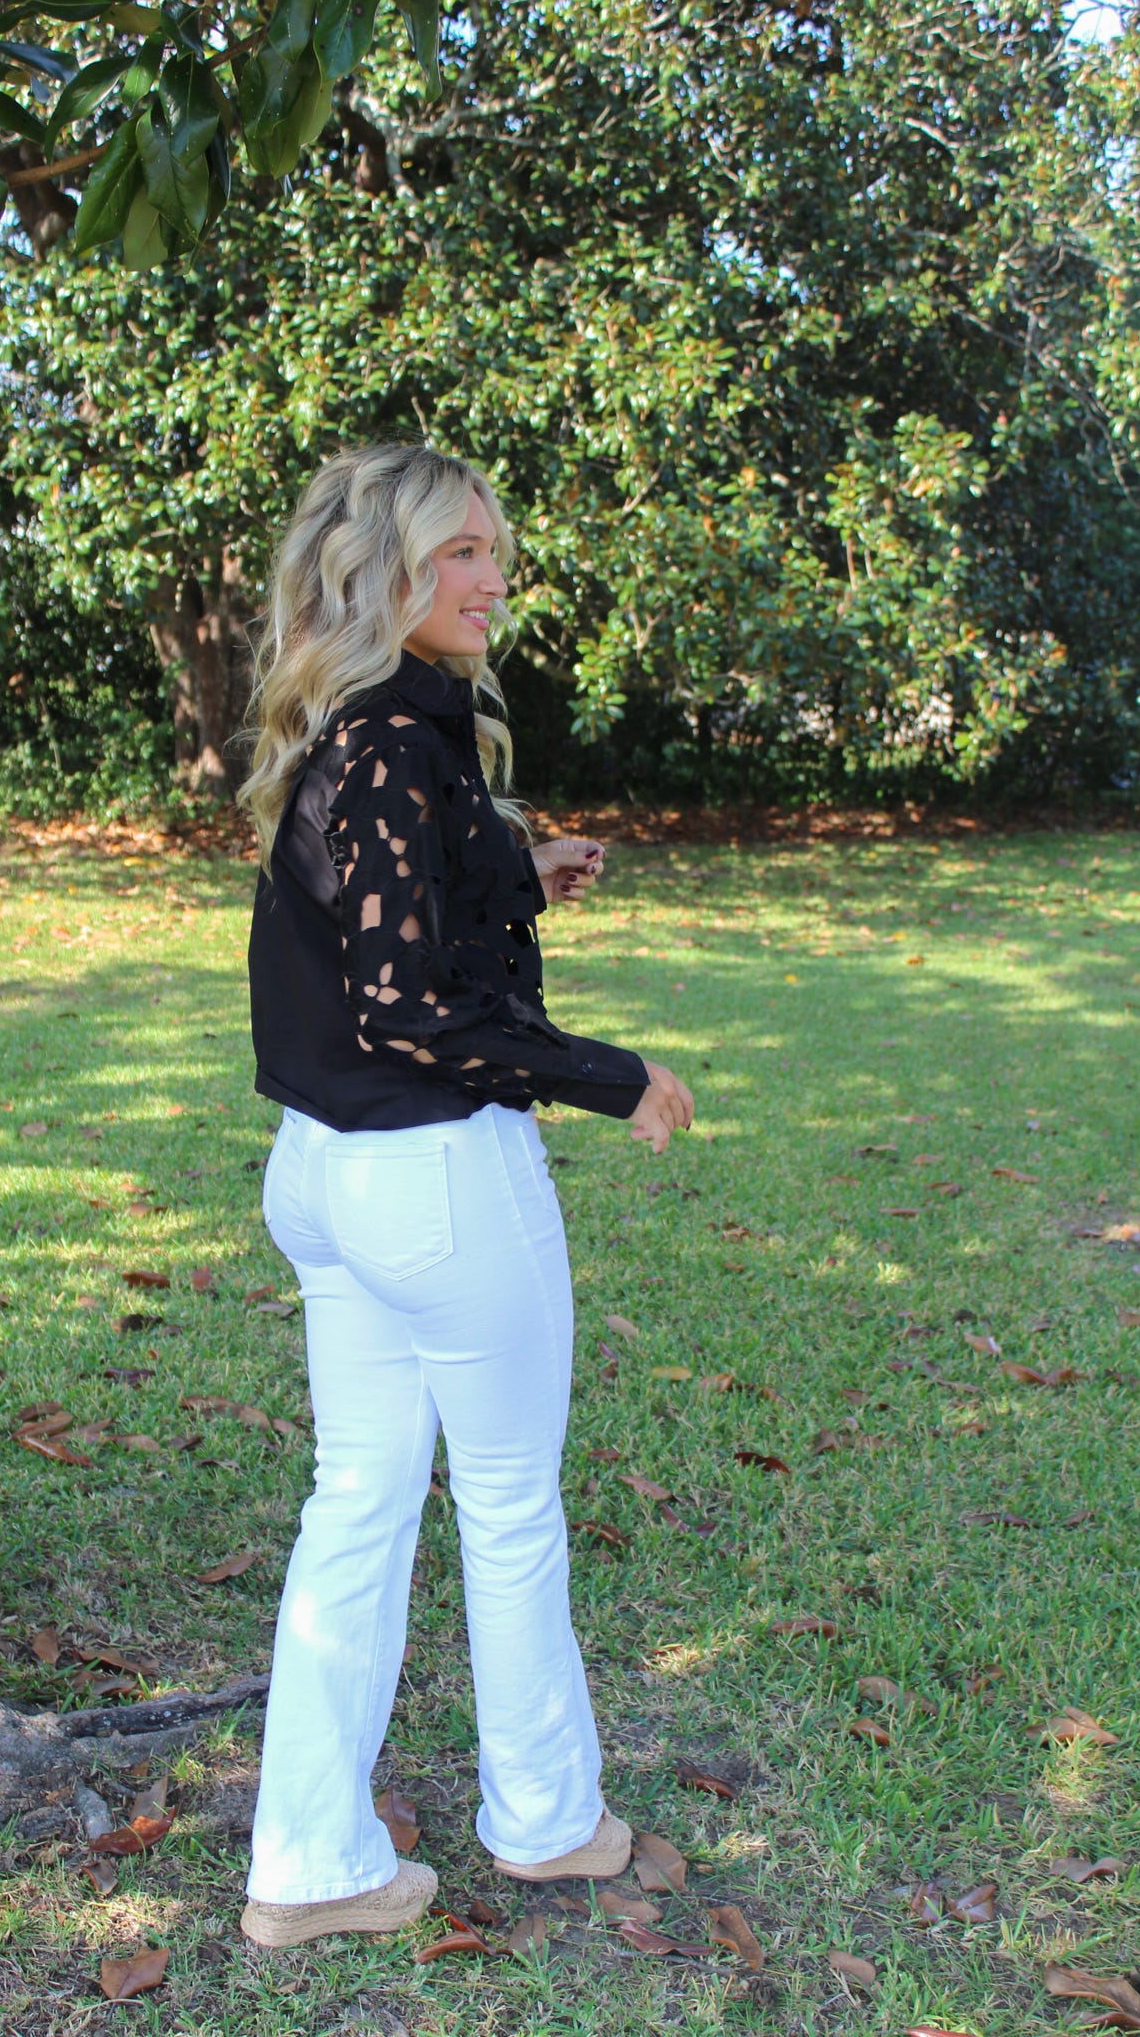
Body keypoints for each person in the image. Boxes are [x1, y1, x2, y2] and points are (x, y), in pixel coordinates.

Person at [237, 442, 695, 1949]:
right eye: (461, 553)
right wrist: (612, 1076)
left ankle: (309, 1867)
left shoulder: (359, 732)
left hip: (327, 1174)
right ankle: (549, 1823)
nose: (493, 578)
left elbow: (388, 918)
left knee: (358, 1505)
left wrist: (517, 870)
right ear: (384, 570)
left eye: (494, 550)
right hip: (432, 1176)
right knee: (506, 1507)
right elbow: (407, 1006)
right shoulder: (394, 741)